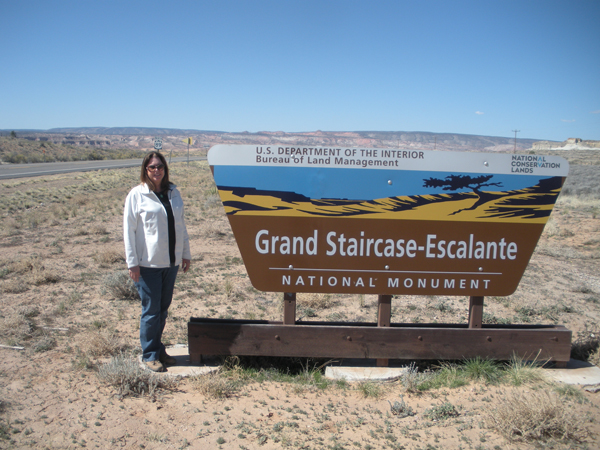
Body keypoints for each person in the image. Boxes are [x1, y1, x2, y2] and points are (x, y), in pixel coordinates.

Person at [123, 152, 191, 372]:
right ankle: (149, 354)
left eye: (160, 166)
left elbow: (181, 226)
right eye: (152, 167)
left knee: (162, 310)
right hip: (148, 264)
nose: (156, 170)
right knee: (151, 311)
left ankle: (158, 349)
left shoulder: (174, 193)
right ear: (145, 169)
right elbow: (129, 231)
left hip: (170, 263)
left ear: (165, 168)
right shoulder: (137, 195)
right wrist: (132, 262)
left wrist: (185, 253)